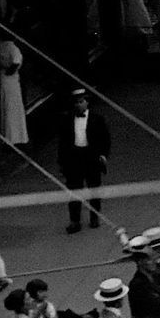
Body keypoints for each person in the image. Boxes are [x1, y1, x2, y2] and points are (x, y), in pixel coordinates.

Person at [57, 89, 112, 233]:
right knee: (75, 190)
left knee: (94, 189)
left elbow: (105, 139)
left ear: (87, 102)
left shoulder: (97, 119)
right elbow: (63, 142)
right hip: (74, 157)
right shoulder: (67, 119)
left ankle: (94, 217)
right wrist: (62, 162)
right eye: (76, 103)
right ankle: (75, 221)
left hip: (91, 156)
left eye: (81, 102)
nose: (79, 105)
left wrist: (103, 155)